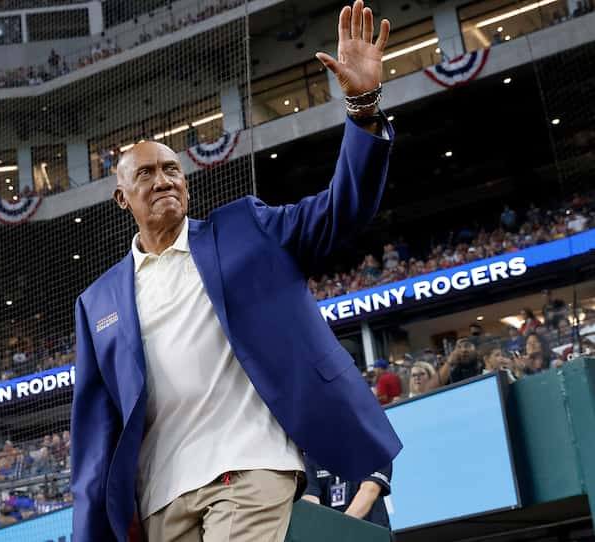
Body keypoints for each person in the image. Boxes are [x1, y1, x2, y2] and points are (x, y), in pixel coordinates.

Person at [70, 3, 400, 540]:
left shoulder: (247, 229)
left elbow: (344, 208)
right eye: (147, 173)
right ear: (121, 197)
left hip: (248, 466)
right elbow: (94, 435)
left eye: (173, 170)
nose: (163, 180)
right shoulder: (98, 303)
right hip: (161, 497)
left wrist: (362, 107)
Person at [301, 457, 393, 529]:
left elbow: (370, 490)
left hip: (370, 532)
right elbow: (309, 498)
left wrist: (341, 528)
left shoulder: (375, 447)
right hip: (330, 533)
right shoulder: (313, 454)